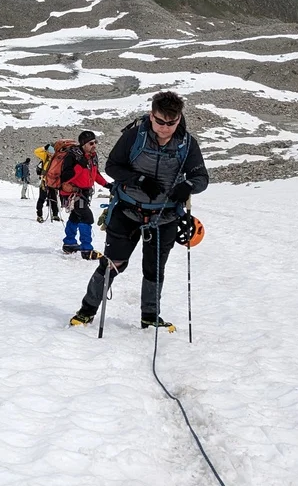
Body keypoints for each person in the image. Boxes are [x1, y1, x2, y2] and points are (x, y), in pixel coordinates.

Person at [69, 91, 209, 331]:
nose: (165, 128)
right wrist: (138, 179)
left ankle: (150, 317)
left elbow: (201, 177)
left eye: (171, 123)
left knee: (154, 267)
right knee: (114, 262)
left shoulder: (187, 144)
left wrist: (188, 186)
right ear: (151, 115)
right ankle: (86, 311)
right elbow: (112, 166)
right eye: (160, 121)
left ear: (179, 119)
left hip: (165, 216)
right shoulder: (135, 136)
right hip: (127, 211)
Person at [58, 131, 111, 260]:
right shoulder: (73, 157)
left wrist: (107, 185)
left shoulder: (92, 156)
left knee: (76, 217)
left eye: (95, 142)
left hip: (83, 193)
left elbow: (95, 173)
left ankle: (69, 243)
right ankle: (87, 249)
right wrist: (80, 166)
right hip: (74, 193)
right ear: (83, 144)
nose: (94, 145)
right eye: (91, 143)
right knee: (87, 217)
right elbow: (65, 177)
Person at [32, 142, 61, 223]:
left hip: (51, 182)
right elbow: (36, 151)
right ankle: (40, 215)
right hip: (45, 181)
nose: (50, 154)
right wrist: (44, 148)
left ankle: (55, 215)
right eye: (49, 152)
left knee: (53, 199)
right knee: (43, 198)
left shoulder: (56, 158)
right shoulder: (45, 156)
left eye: (52, 153)